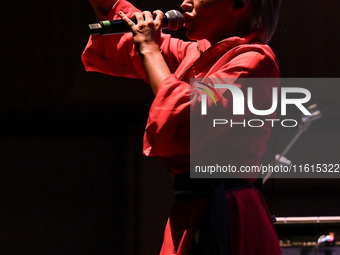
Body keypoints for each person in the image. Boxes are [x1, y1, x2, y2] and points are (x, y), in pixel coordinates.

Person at [81, 0, 282, 254]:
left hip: (228, 210)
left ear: (239, 4)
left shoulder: (255, 60)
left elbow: (187, 115)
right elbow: (120, 19)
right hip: (193, 207)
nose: (185, 2)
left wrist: (150, 49)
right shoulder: (196, 54)